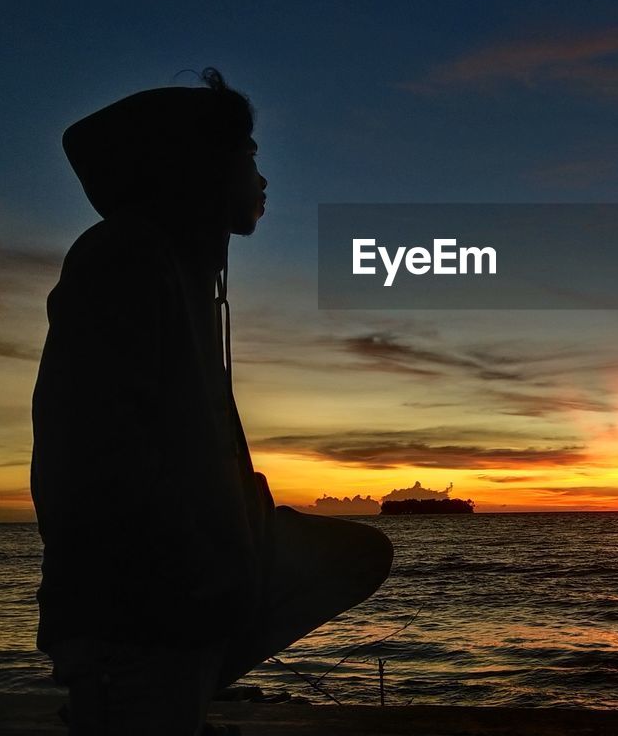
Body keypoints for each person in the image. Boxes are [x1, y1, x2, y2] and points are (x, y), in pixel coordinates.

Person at [31, 69, 393, 735]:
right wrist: (188, 566)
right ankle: (146, 687)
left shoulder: (190, 274)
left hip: (190, 589)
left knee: (357, 555)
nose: (263, 178)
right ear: (199, 165)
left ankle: (188, 675)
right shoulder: (126, 257)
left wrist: (237, 520)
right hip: (134, 610)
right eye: (249, 156)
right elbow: (87, 453)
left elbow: (192, 445)